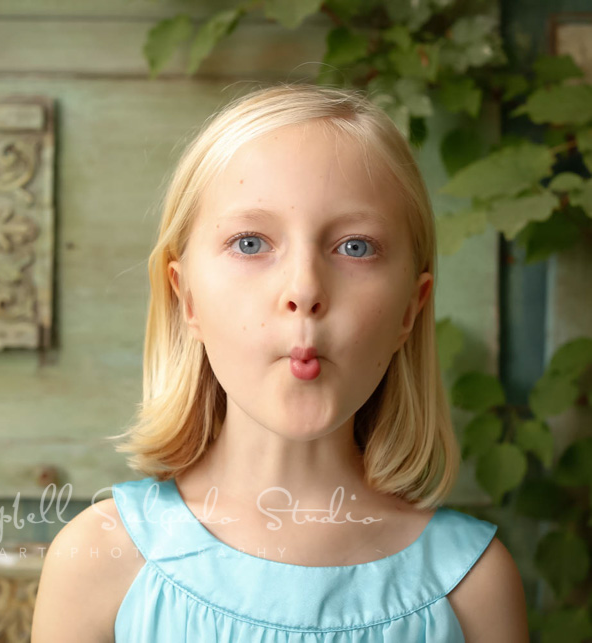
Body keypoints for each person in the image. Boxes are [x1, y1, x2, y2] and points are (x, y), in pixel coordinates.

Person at [31, 82, 529, 642]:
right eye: (250, 243)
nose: (304, 289)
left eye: (355, 246)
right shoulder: (100, 564)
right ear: (185, 298)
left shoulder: (473, 588)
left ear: (410, 311)